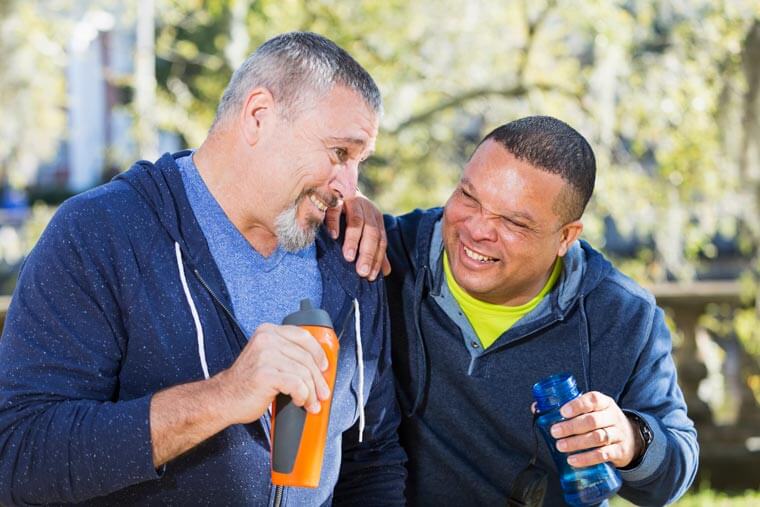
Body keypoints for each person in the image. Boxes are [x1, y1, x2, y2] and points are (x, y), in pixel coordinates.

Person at [0, 32, 405, 506]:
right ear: (259, 115)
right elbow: (19, 455)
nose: (350, 185)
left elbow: (372, 456)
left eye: (359, 161)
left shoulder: (351, 252)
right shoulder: (101, 232)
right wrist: (223, 396)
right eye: (340, 153)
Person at [335, 116, 699, 505]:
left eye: (513, 221)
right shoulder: (383, 255)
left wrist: (630, 439)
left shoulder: (623, 316)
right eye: (468, 197)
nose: (477, 229)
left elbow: (676, 468)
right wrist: (349, 203)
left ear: (566, 236)